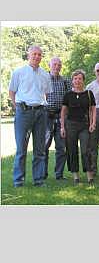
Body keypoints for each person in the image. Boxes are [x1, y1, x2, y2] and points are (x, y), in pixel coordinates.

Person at [9, 45, 52, 187]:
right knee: (21, 148)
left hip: (41, 113)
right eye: (34, 54)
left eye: (39, 54)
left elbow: (46, 93)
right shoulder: (18, 72)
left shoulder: (45, 74)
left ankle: (38, 180)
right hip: (24, 112)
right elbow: (12, 92)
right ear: (28, 55)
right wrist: (19, 108)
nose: (37, 57)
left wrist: (40, 106)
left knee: (40, 149)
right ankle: (18, 180)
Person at [60, 69, 96, 186]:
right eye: (75, 78)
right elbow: (63, 112)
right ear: (72, 81)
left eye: (80, 78)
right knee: (72, 150)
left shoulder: (89, 94)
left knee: (86, 150)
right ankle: (76, 176)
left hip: (84, 125)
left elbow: (93, 109)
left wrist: (93, 123)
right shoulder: (68, 95)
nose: (77, 81)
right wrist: (62, 127)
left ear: (83, 80)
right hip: (70, 125)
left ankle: (89, 175)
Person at [44, 57, 72, 180]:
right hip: (46, 117)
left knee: (61, 148)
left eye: (59, 65)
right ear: (49, 65)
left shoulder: (65, 81)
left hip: (61, 117)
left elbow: (70, 99)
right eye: (54, 64)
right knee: (44, 147)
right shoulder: (43, 79)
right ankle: (42, 174)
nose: (57, 67)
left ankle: (59, 174)